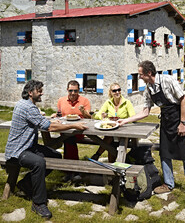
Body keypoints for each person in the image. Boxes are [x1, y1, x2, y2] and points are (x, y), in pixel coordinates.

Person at [5, 80, 87, 219]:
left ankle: (26, 183)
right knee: (39, 163)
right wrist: (75, 126)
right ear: (31, 92)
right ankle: (38, 203)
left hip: (28, 146)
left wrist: (53, 122)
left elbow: (42, 122)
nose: (42, 93)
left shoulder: (25, 104)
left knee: (55, 155)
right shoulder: (28, 107)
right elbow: (49, 127)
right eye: (39, 90)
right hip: (18, 150)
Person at [118, 61, 185, 196]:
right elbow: (145, 112)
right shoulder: (149, 89)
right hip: (166, 122)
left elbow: (183, 100)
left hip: (178, 119)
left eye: (140, 75)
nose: (139, 77)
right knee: (165, 153)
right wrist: (125, 121)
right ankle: (168, 184)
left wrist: (183, 123)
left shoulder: (168, 80)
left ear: (149, 73)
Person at [90, 83, 135, 162]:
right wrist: (103, 116)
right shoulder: (108, 102)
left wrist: (124, 121)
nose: (117, 92)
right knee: (110, 140)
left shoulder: (127, 102)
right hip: (112, 130)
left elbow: (133, 117)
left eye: (119, 90)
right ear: (110, 92)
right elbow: (98, 115)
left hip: (123, 130)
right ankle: (110, 164)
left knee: (110, 140)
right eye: (114, 91)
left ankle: (97, 154)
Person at [52, 80, 91, 161]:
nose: (73, 93)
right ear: (67, 90)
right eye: (70, 90)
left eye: (75, 91)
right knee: (67, 137)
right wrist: (55, 115)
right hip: (64, 128)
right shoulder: (61, 100)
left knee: (69, 138)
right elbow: (59, 114)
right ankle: (71, 166)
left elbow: (89, 118)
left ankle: (70, 166)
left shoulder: (84, 100)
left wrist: (83, 111)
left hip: (79, 129)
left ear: (79, 90)